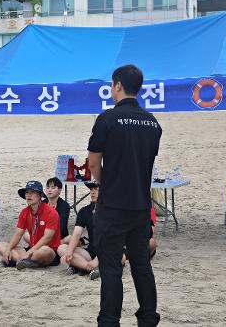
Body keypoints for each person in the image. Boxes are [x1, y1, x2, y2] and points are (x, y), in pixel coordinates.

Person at [88, 64, 162, 326]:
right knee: (142, 265)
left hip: (113, 205)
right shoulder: (153, 123)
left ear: (117, 85)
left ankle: (109, 321)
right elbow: (145, 163)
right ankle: (149, 318)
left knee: (110, 268)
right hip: (141, 205)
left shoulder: (107, 118)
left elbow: (93, 164)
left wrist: (106, 184)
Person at [0, 181, 61, 270]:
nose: (29, 195)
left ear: (40, 195)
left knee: (44, 251)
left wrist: (30, 252)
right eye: (27, 192)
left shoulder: (51, 212)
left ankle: (17, 260)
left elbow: (47, 238)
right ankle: (22, 261)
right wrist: (7, 250)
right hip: (32, 248)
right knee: (1, 245)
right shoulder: (25, 212)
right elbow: (18, 234)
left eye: (32, 192)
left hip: (49, 250)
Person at [57, 185, 100, 280]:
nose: (92, 192)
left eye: (96, 189)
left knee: (120, 257)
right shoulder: (85, 211)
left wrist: (97, 259)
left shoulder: (113, 210)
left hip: (110, 249)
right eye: (91, 189)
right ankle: (89, 269)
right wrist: (69, 252)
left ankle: (79, 266)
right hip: (91, 251)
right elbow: (76, 234)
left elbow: (112, 239)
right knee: (62, 248)